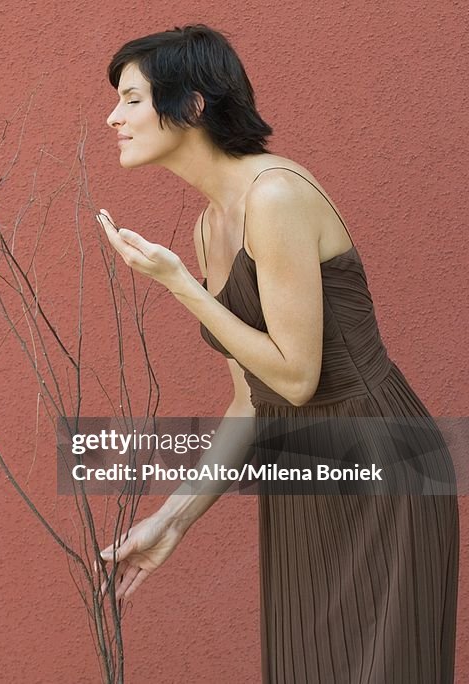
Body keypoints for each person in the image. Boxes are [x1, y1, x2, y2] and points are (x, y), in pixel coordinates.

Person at [94, 24, 459, 683]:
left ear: (193, 105)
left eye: (131, 98)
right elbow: (252, 400)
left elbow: (295, 377)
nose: (111, 116)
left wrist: (179, 285)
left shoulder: (275, 195)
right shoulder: (212, 225)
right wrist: (173, 519)